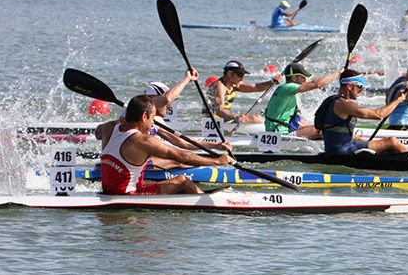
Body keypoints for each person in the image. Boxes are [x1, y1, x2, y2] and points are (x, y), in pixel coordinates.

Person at [95, 70, 233, 170]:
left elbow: (182, 142)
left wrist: (215, 145)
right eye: (167, 102)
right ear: (154, 100)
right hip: (129, 165)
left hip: (114, 164)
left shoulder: (140, 115)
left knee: (178, 159)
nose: (170, 105)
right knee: (179, 162)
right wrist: (187, 78)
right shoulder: (148, 111)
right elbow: (167, 98)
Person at [100, 95, 233, 195]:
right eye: (152, 118)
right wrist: (217, 161)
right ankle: (204, 201)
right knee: (182, 181)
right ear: (143, 118)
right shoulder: (142, 141)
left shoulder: (108, 128)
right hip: (130, 194)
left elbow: (97, 132)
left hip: (108, 190)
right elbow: (181, 156)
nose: (152, 124)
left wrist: (120, 121)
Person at [313, 70, 408, 155]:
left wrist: (367, 142)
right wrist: (398, 100)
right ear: (349, 86)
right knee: (391, 141)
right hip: (343, 152)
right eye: (359, 86)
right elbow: (379, 115)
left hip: (337, 149)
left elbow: (338, 133)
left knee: (378, 144)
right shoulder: (344, 105)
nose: (361, 90)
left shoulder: (332, 100)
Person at [263, 63, 340, 139]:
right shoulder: (288, 87)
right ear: (294, 78)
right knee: (316, 129)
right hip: (278, 134)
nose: (305, 80)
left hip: (276, 130)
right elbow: (317, 84)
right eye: (303, 77)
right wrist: (338, 73)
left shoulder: (283, 89)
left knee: (310, 125)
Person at [205, 60, 283, 124]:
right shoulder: (219, 86)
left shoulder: (235, 84)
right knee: (256, 119)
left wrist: (272, 82)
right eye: (240, 74)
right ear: (230, 73)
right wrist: (236, 117)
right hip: (211, 123)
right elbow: (219, 110)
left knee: (257, 117)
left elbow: (256, 87)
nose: (242, 78)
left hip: (223, 120)